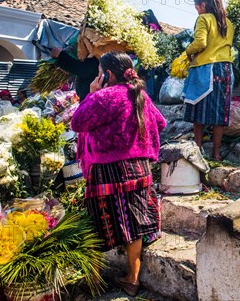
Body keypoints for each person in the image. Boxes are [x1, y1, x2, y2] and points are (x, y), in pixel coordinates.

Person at [70, 51, 166, 297]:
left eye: (100, 73)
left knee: (99, 220)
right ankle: (132, 277)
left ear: (108, 74)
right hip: (139, 168)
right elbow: (161, 123)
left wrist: (91, 93)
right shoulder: (140, 94)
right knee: (134, 218)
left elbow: (78, 122)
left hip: (109, 169)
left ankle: (94, 278)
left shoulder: (102, 96)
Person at [183, 0, 235, 161]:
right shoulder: (228, 23)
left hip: (207, 69)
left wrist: (188, 52)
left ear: (203, 5)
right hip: (226, 70)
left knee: (198, 110)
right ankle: (216, 154)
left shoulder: (203, 18)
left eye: (197, 7)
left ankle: (197, 151)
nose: (197, 10)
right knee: (220, 114)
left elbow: (200, 43)